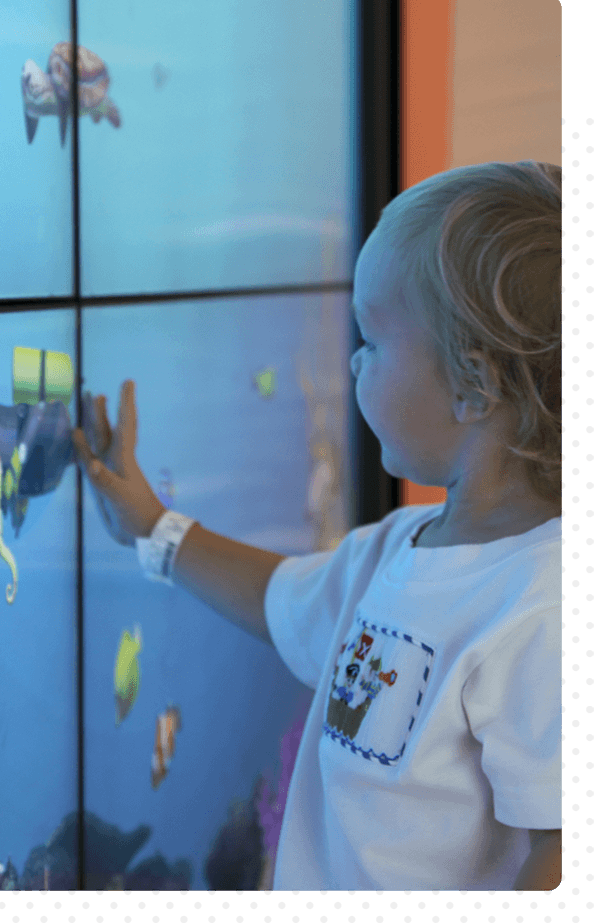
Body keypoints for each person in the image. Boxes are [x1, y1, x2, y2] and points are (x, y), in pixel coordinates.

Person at [71, 160, 561, 891]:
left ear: (474, 384)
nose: (354, 361)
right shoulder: (396, 549)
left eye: (373, 339)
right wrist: (152, 527)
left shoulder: (539, 609)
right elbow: (284, 599)